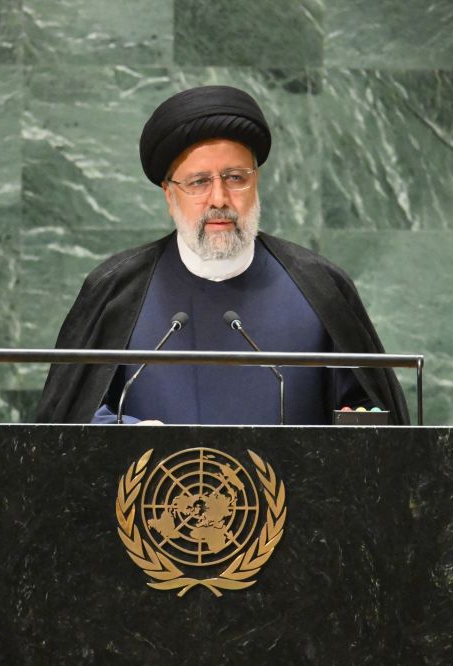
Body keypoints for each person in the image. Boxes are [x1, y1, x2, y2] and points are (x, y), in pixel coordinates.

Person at [33, 85, 409, 425]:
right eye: (198, 182)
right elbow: (67, 420)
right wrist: (130, 437)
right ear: (169, 194)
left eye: (234, 178)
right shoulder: (115, 289)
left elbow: (370, 416)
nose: (219, 199)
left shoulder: (320, 286)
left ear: (255, 182)